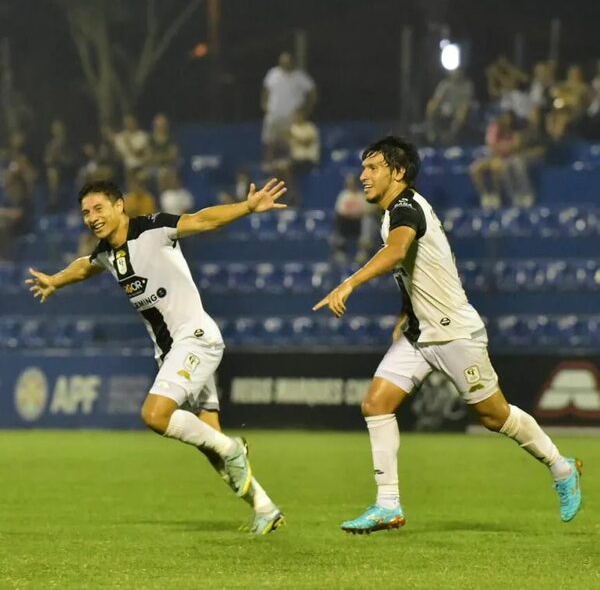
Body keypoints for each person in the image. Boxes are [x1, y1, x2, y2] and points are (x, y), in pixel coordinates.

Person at [313, 135, 582, 534]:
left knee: (495, 416)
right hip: (420, 334)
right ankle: (388, 505)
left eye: (372, 168)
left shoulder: (406, 208)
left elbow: (395, 253)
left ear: (398, 172)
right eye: (363, 167)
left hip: (454, 332)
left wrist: (349, 283)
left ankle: (562, 469)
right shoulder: (396, 212)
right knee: (376, 403)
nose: (363, 175)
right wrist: (405, 313)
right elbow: (415, 268)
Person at [26, 178, 288, 535]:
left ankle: (234, 448)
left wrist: (247, 207)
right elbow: (85, 265)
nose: (91, 217)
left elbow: (202, 220)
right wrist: (56, 280)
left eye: (98, 208)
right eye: (86, 212)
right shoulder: (108, 252)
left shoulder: (152, 229)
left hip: (195, 339)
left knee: (155, 414)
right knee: (209, 443)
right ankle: (265, 507)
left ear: (120, 206)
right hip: (171, 352)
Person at [261, 51, 317, 168]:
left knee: (290, 141)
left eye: (287, 62)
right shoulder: (273, 73)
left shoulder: (300, 76)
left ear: (292, 62)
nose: (285, 64)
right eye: (283, 62)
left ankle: (289, 163)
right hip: (274, 113)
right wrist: (264, 104)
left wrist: (306, 110)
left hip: (292, 116)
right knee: (269, 139)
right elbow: (266, 89)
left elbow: (312, 92)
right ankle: (268, 162)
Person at [425, 69, 474, 145]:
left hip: (460, 109)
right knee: (431, 106)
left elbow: (468, 101)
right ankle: (431, 133)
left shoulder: (467, 85)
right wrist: (435, 105)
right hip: (446, 108)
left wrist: (463, 107)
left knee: (462, 111)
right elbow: (437, 99)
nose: (456, 74)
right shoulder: (445, 84)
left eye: (458, 71)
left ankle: (450, 136)